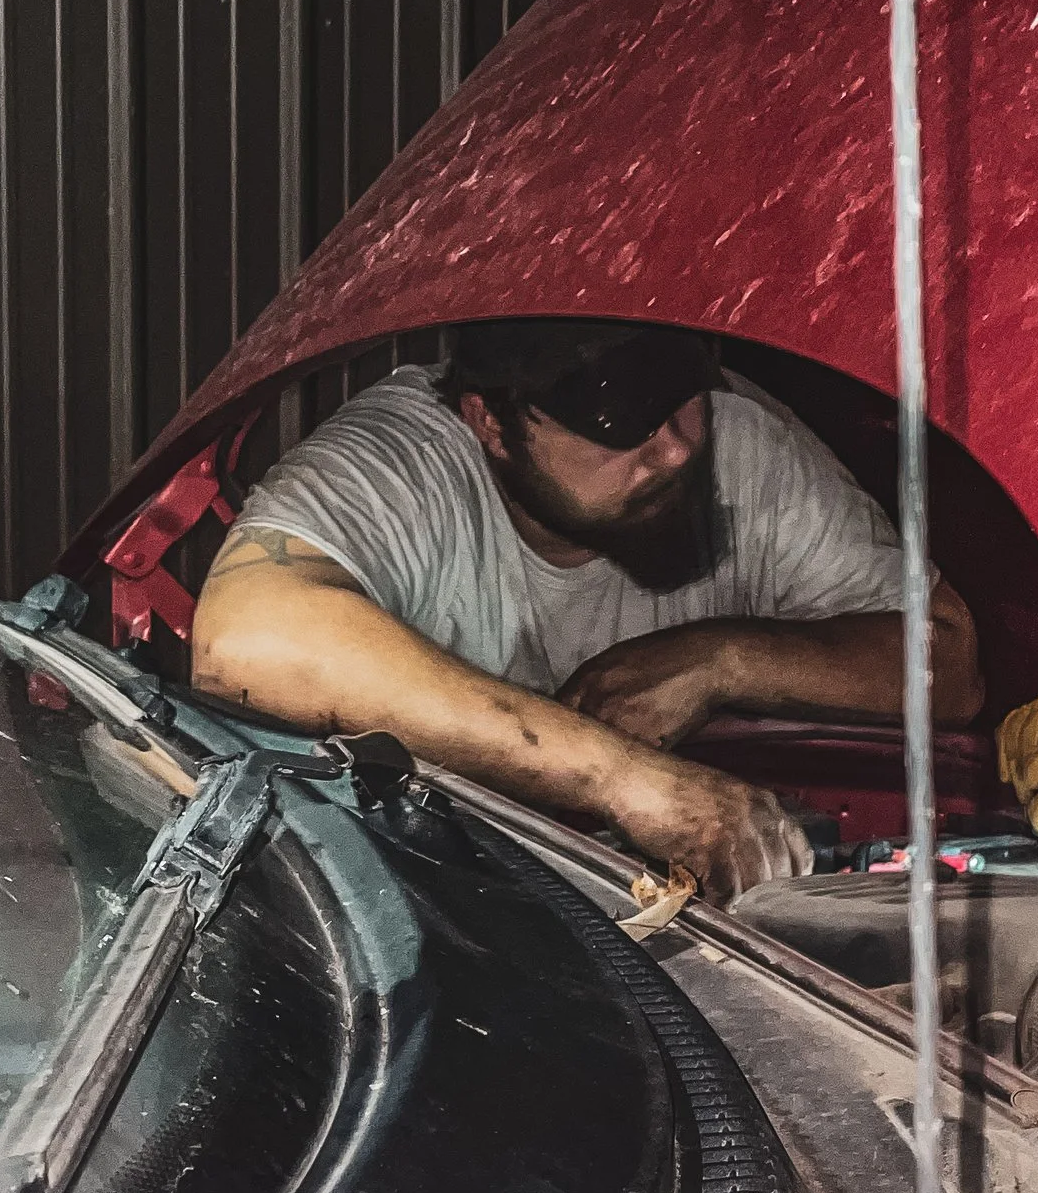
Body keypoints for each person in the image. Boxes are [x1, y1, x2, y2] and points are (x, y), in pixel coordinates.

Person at [190, 320, 983, 901]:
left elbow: (951, 664)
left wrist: (721, 659)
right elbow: (244, 640)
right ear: (492, 424)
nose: (674, 447)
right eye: (617, 423)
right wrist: (622, 776)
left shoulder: (738, 443)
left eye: (682, 398)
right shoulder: (408, 464)